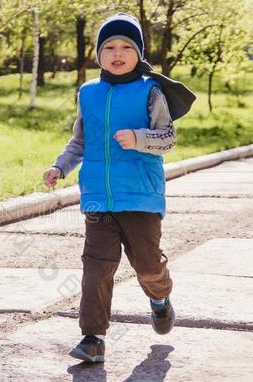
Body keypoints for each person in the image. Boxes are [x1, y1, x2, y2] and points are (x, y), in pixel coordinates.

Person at [42, 12, 195, 363]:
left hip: (140, 197)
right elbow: (79, 142)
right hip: (98, 198)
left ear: (138, 53)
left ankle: (160, 299)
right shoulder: (89, 93)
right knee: (96, 267)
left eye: (127, 46)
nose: (117, 52)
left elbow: (168, 138)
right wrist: (59, 166)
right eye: (109, 46)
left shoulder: (149, 90)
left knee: (147, 265)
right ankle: (92, 337)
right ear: (99, 53)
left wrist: (139, 138)